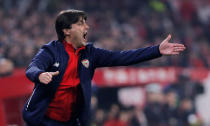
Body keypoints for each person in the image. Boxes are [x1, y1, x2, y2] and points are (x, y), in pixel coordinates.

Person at [22, 9, 185, 126]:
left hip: (72, 121)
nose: (87, 27)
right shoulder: (50, 51)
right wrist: (40, 74)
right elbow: (32, 68)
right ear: (66, 31)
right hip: (43, 120)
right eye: (80, 24)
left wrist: (156, 50)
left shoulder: (90, 53)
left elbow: (122, 57)